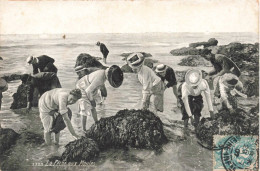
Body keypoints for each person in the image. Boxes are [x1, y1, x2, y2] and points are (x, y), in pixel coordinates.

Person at [76, 65, 123, 133]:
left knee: (93, 107)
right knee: (85, 110)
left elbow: (100, 84)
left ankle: (96, 123)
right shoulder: (100, 77)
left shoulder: (103, 73)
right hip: (82, 87)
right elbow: (88, 91)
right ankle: (83, 129)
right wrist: (92, 101)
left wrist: (103, 90)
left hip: (89, 86)